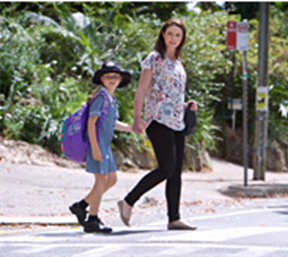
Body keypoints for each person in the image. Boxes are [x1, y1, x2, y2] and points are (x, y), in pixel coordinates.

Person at [117, 18, 198, 230]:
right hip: (157, 120)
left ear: (182, 39)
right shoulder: (154, 59)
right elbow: (142, 90)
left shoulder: (179, 65)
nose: (173, 38)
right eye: (170, 34)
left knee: (176, 172)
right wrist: (137, 118)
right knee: (166, 168)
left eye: (178, 35)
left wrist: (188, 105)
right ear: (163, 35)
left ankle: (174, 218)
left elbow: (175, 93)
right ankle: (128, 201)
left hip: (177, 122)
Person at [69, 60, 134, 233]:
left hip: (105, 145)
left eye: (115, 76)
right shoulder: (101, 97)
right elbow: (92, 122)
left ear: (120, 80)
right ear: (102, 79)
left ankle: (81, 206)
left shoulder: (111, 99)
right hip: (98, 144)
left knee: (112, 179)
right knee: (101, 180)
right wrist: (95, 147)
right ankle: (92, 219)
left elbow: (112, 122)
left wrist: (131, 128)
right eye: (108, 76)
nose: (112, 79)